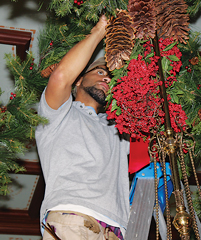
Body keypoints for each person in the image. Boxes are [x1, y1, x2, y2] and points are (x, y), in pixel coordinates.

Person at [35, 15, 130, 240]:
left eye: (111, 78)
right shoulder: (59, 114)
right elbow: (59, 78)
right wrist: (100, 30)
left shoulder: (119, 129)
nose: (107, 79)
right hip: (73, 218)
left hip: (118, 230)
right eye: (100, 72)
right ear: (78, 80)